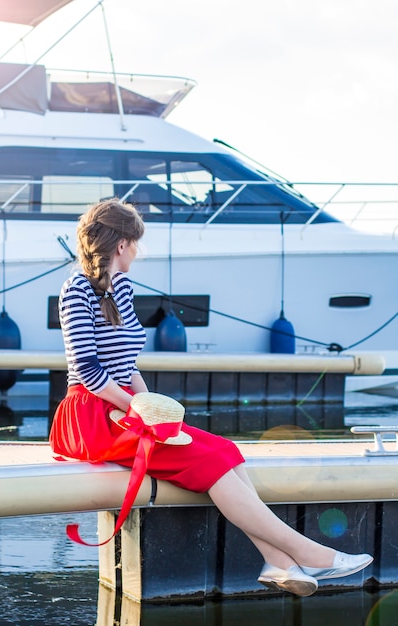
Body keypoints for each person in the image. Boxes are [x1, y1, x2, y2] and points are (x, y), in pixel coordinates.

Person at [49, 198, 373, 597]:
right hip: (92, 417)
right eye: (137, 243)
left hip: (124, 408)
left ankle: (278, 563)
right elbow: (89, 373)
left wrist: (155, 410)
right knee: (209, 460)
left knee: (226, 449)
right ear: (122, 244)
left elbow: (126, 365)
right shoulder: (76, 290)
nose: (138, 251)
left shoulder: (122, 287)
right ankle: (309, 553)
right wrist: (138, 412)